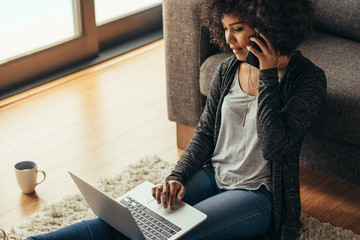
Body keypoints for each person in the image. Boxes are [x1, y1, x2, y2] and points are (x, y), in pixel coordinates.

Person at [26, 0, 326, 239]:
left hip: (257, 195)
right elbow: (206, 133)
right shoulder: (227, 70)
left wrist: (268, 76)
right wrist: (177, 176)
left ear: (267, 25)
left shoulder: (309, 80)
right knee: (133, 218)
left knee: (172, 235)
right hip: (213, 173)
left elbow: (275, 145)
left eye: (237, 28)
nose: (228, 39)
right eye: (224, 28)